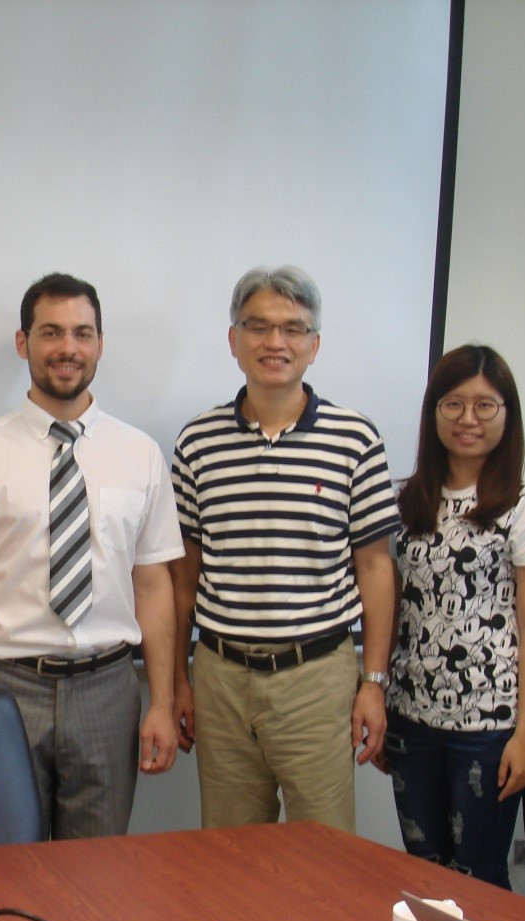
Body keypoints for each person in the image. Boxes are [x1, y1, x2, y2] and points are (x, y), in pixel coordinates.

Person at [0, 272, 183, 840]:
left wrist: (162, 704)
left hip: (109, 691)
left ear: (100, 344)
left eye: (81, 333)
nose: (67, 348)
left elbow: (153, 586)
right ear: (23, 343)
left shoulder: (140, 455)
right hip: (5, 688)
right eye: (51, 333)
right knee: (6, 865)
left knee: (97, 880)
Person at [170, 265, 398, 834]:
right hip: (220, 677)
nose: (276, 343)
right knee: (229, 852)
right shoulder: (197, 442)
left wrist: (373, 683)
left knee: (325, 855)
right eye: (258, 326)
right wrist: (178, 677)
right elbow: (183, 576)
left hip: (318, 678)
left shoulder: (355, 439)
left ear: (314, 345)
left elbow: (375, 568)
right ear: (234, 340)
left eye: (293, 329)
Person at [385, 346, 525, 888]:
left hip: (487, 727)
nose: (467, 419)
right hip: (412, 718)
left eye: (486, 406)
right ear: (433, 411)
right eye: (453, 403)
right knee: (425, 871)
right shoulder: (407, 499)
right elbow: (393, 611)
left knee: (478, 876)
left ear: (508, 415)